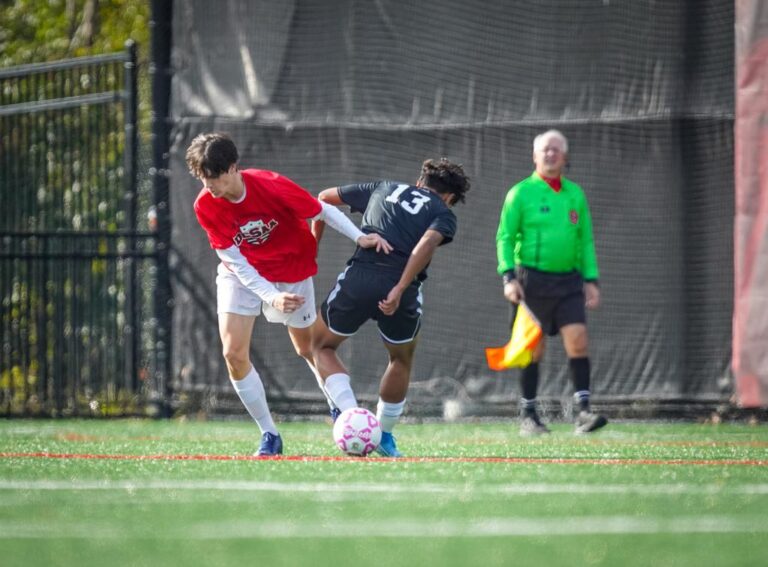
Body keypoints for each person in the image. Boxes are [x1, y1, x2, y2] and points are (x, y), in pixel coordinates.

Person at [185, 133, 390, 456]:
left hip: (291, 270)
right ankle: (269, 434)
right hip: (242, 275)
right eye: (201, 177)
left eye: (213, 176)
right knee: (233, 353)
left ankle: (342, 410)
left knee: (308, 349)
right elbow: (236, 262)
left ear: (233, 167)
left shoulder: (271, 185)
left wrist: (359, 237)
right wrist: (270, 296)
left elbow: (321, 211)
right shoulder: (205, 205)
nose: (208, 185)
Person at [311, 158, 471, 457]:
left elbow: (322, 200)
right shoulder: (442, 212)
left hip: (360, 278)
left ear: (420, 180)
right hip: (403, 290)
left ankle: (350, 417)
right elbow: (425, 244)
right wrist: (399, 288)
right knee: (400, 359)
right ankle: (382, 435)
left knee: (320, 346)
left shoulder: (382, 187)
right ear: (450, 197)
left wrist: (314, 244)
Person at [495, 129, 607, 436]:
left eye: (556, 149)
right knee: (533, 348)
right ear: (534, 156)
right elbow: (504, 237)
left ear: (565, 156)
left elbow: (585, 241)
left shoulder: (575, 195)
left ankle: (583, 413)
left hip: (569, 282)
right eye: (545, 149)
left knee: (579, 341)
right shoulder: (520, 193)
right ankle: (528, 416)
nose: (550, 154)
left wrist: (591, 280)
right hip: (530, 281)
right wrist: (508, 277)